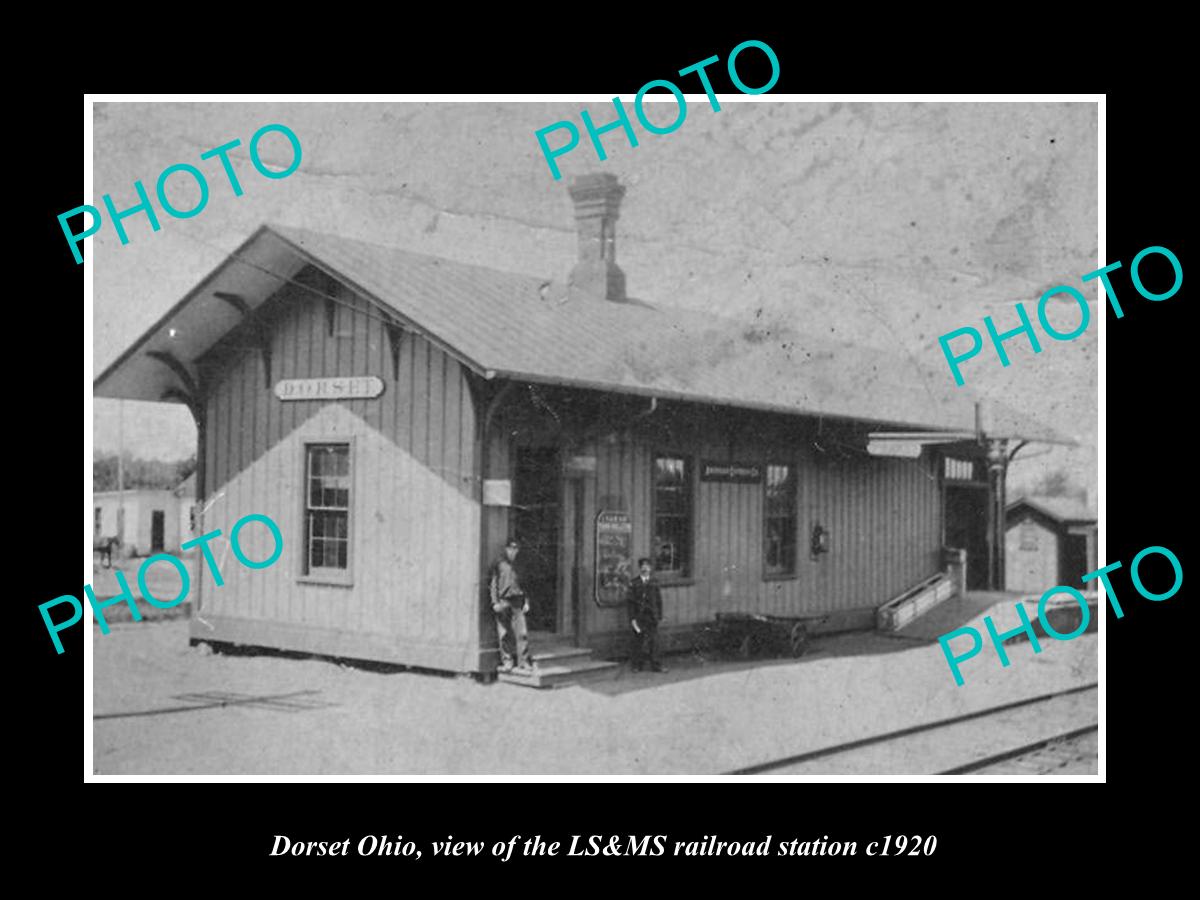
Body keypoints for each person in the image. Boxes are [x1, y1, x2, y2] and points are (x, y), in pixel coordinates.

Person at [490, 538, 534, 673]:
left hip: (518, 602)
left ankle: (523, 662)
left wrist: (526, 601)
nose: (513, 551)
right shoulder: (499, 563)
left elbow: (525, 584)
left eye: (516, 549)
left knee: (522, 633)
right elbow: (494, 584)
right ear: (506, 549)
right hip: (503, 601)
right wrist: (495, 602)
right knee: (504, 633)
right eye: (511, 548)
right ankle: (507, 661)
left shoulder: (520, 565)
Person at [627, 557, 667, 673]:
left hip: (651, 617)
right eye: (643, 566)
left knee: (654, 642)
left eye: (647, 566)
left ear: (650, 568)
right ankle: (637, 665)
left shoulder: (654, 582)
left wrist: (659, 616)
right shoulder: (634, 583)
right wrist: (632, 618)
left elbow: (659, 600)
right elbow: (630, 603)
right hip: (639, 617)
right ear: (639, 568)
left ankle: (656, 665)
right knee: (638, 641)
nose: (645, 568)